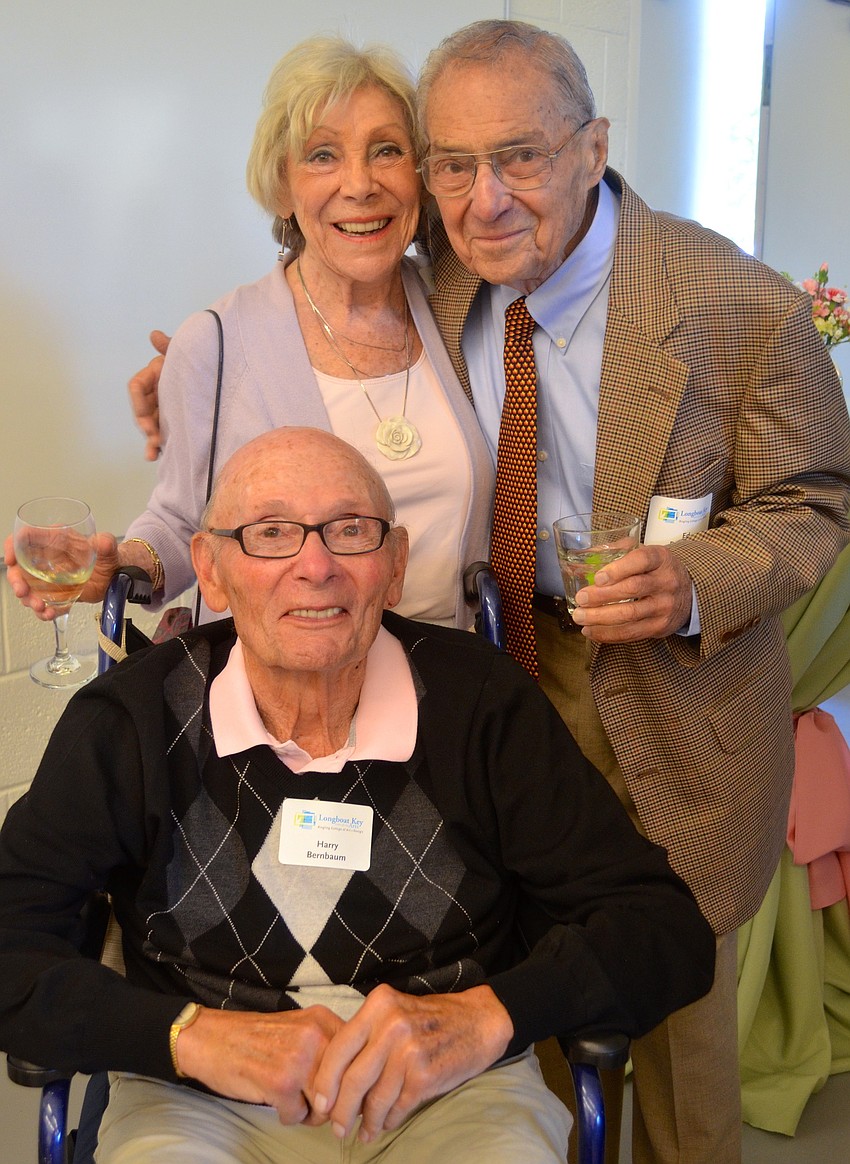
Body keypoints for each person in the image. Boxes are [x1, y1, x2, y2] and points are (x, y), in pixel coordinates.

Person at [121, 18, 850, 1163]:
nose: (483, 196)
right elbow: (318, 307)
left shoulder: (739, 305)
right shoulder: (440, 268)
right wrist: (194, 375)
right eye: (453, 163)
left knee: (672, 1008)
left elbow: (812, 501)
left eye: (518, 155)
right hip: (500, 668)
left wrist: (696, 581)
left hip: (677, 684)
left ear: (593, 144)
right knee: (523, 981)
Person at [0, 426, 715, 1164]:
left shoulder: (479, 705)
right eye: (271, 533)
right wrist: (188, 1035)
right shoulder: (132, 721)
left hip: (452, 1093)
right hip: (196, 1101)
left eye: (351, 531)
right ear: (211, 572)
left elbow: (661, 928)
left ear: (395, 565)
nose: (316, 566)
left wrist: (491, 1014)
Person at [3, 36, 494, 630]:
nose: (361, 184)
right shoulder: (216, 343)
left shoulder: (464, 305)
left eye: (387, 151)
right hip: (284, 695)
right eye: (322, 156)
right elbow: (183, 521)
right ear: (283, 188)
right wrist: (120, 565)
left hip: (453, 686)